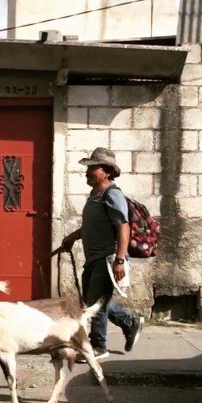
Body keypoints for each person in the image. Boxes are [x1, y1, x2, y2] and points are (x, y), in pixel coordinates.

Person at [61, 147, 144, 361]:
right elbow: (92, 225)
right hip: (94, 258)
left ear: (107, 172)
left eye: (93, 168)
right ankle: (130, 321)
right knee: (91, 300)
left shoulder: (112, 194)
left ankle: (98, 345)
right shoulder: (95, 195)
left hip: (107, 258)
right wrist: (72, 237)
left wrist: (119, 259)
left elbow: (123, 226)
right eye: (88, 168)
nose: (88, 172)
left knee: (95, 303)